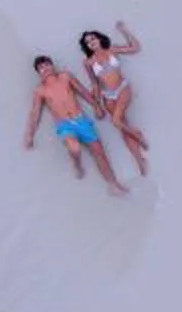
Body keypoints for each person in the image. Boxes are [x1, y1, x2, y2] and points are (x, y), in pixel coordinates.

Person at [23, 54, 129, 196]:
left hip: (81, 121)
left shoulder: (65, 76)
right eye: (41, 68)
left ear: (53, 66)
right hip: (64, 125)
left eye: (47, 65)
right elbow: (35, 113)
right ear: (38, 73)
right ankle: (76, 163)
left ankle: (113, 184)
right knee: (74, 148)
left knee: (100, 153)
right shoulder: (40, 90)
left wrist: (96, 106)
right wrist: (30, 134)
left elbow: (83, 91)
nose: (45, 68)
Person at [78, 21, 148, 175]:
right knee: (123, 130)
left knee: (117, 122)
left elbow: (135, 48)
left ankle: (138, 135)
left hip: (122, 89)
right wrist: (97, 105)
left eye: (93, 39)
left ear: (99, 39)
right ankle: (139, 160)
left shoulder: (112, 49)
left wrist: (125, 30)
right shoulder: (88, 62)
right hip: (107, 96)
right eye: (88, 42)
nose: (91, 42)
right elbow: (95, 84)